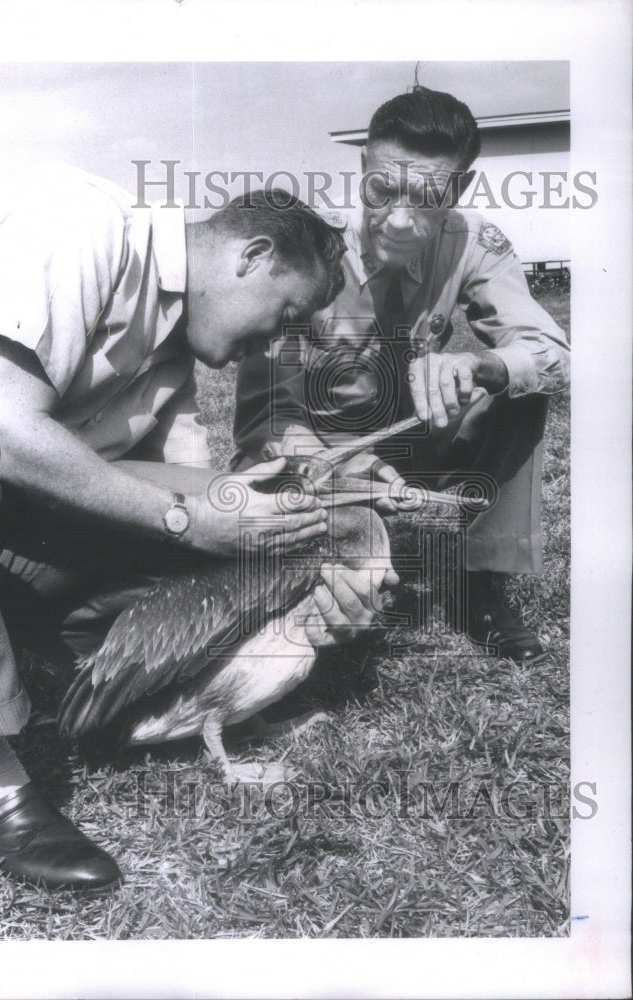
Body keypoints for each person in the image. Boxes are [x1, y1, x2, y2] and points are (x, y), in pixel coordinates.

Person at [0, 165, 372, 891]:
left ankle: (9, 669)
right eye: (285, 315)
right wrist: (186, 515)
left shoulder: (172, 338)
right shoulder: (78, 218)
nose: (276, 346)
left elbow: (175, 507)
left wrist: (307, 542)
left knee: (190, 535)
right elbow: (7, 428)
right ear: (251, 256)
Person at [234, 86, 570, 662]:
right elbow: (265, 418)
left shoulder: (475, 242)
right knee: (333, 629)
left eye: (426, 197)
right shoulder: (307, 249)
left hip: (415, 441)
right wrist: (330, 464)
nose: (397, 217)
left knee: (520, 391)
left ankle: (479, 586)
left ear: (459, 189)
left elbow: (554, 356)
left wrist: (481, 364)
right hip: (322, 458)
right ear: (363, 165)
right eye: (381, 188)